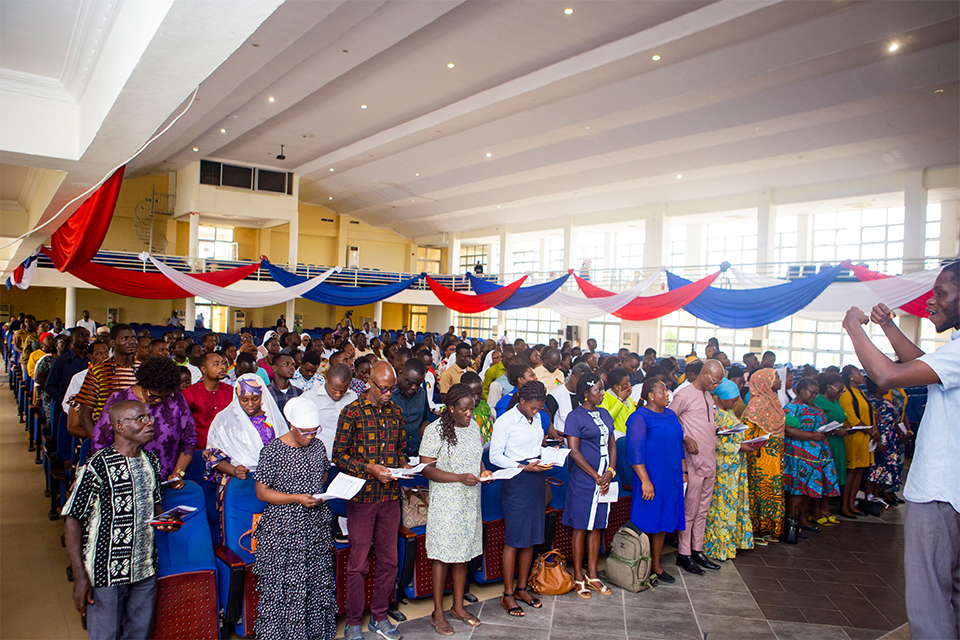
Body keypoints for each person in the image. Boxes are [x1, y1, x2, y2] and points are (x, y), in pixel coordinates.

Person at [840, 263, 959, 639]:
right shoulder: (954, 351)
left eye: (941, 293)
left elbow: (887, 375)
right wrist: (889, 327)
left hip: (940, 490)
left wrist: (854, 327)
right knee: (952, 592)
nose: (931, 302)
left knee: (930, 600)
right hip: (951, 490)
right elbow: (924, 363)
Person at [63, 399, 181, 639]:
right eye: (140, 419)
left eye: (149, 417)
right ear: (119, 426)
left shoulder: (151, 462)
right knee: (106, 634)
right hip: (107, 570)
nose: (149, 423)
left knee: (139, 633)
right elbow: (72, 519)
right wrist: (80, 577)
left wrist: (165, 520)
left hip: (144, 566)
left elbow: (154, 504)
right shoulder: (97, 465)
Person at [253, 397, 337, 640]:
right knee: (285, 588)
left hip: (315, 526)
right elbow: (262, 492)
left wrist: (317, 494)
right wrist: (297, 498)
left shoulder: (318, 446)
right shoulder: (273, 450)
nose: (310, 437)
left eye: (314, 431)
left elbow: (322, 476)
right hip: (284, 530)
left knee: (315, 584)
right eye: (305, 432)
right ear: (292, 425)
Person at [333, 362, 405, 640]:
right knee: (358, 563)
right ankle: (353, 622)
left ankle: (379, 617)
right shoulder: (352, 412)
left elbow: (400, 450)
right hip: (362, 498)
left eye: (392, 388)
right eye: (384, 388)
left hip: (390, 497)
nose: (388, 393)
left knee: (389, 561)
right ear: (369, 384)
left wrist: (403, 466)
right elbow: (339, 455)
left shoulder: (396, 411)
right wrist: (370, 469)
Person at [419, 384, 488, 634]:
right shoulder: (435, 430)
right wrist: (458, 477)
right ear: (451, 408)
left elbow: (476, 456)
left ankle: (458, 607)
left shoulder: (473, 426)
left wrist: (483, 471)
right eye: (464, 409)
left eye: (471, 409)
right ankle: (437, 612)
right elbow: (426, 469)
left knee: (463, 554)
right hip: (447, 502)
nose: (469, 414)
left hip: (470, 500)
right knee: (443, 556)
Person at [488, 381, 550, 618]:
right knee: (515, 538)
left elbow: (536, 446)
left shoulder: (538, 418)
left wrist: (547, 457)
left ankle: (522, 588)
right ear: (521, 401)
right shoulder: (505, 421)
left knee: (531, 536)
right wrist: (522, 467)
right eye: (533, 407)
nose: (536, 411)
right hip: (516, 480)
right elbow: (495, 456)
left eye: (539, 407)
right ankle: (507, 594)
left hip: (536, 478)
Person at [92, 356, 196, 485]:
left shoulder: (176, 399)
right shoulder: (120, 399)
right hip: (124, 479)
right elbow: (100, 442)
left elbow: (189, 440)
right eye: (153, 396)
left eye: (164, 397)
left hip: (166, 478)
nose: (158, 400)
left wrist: (178, 472)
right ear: (143, 385)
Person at [626, 378, 685, 584]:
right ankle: (640, 567)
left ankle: (656, 566)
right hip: (650, 477)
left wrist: (684, 472)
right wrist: (645, 481)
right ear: (651, 395)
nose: (667, 395)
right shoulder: (639, 417)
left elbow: (679, 444)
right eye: (662, 391)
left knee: (663, 521)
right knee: (647, 520)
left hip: (670, 477)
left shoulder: (670, 414)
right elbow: (634, 453)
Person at [563, 374, 616, 598]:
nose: (602, 394)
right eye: (598, 390)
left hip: (604, 479)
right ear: (585, 393)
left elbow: (612, 444)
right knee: (580, 527)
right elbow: (574, 452)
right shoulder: (574, 417)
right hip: (584, 480)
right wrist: (596, 475)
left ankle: (592, 574)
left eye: (603, 389)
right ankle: (578, 576)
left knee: (597, 527)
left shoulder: (604, 413)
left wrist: (610, 471)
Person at [671, 359, 723, 574]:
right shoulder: (684, 395)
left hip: (710, 458)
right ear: (704, 373)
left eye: (719, 382)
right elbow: (669, 419)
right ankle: (684, 554)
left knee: (703, 509)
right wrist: (685, 436)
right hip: (693, 460)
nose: (716, 385)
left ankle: (697, 550)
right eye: (714, 381)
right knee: (690, 509)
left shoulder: (709, 396)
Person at [703, 379, 757, 561]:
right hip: (723, 467)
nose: (735, 404)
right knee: (721, 505)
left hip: (735, 465)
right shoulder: (714, 414)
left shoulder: (729, 412)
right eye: (732, 400)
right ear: (721, 398)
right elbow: (714, 442)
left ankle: (732, 542)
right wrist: (739, 447)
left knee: (734, 503)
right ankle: (718, 545)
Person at [204, 373, 288, 482]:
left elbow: (286, 448)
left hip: (273, 479)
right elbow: (212, 455)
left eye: (255, 399)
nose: (250, 404)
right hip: (239, 479)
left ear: (262, 395)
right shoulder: (224, 420)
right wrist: (234, 470)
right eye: (244, 400)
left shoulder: (271, 418)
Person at [783, 377, 840, 528]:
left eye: (816, 393)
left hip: (816, 453)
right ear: (801, 390)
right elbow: (788, 430)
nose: (814, 396)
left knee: (809, 489)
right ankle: (793, 524)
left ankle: (803, 519)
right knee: (798, 490)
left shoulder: (815, 407)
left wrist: (827, 431)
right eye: (811, 392)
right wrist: (812, 436)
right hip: (799, 453)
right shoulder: (792, 408)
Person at [742, 368, 785, 544]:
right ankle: (758, 529)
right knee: (763, 489)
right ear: (765, 381)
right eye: (776, 378)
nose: (780, 381)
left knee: (774, 489)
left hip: (775, 455)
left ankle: (772, 528)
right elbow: (747, 432)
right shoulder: (757, 403)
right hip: (761, 456)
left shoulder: (774, 400)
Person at [76, 324, 140, 439]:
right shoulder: (98, 371)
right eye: (125, 338)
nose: (131, 342)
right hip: (107, 437)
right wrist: (98, 441)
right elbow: (84, 414)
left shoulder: (144, 370)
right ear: (112, 343)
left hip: (138, 438)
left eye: (134, 338)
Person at [839, 364, 875, 518]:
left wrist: (873, 431)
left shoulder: (860, 392)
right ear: (851, 377)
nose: (862, 376)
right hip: (855, 436)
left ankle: (851, 503)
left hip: (864, 437)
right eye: (859, 373)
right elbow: (851, 417)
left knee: (859, 471)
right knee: (851, 471)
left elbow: (871, 412)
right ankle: (844, 505)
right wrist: (869, 430)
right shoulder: (846, 394)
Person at [864, 376, 905, 507]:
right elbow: (874, 423)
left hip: (891, 439)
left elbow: (894, 420)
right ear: (877, 388)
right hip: (881, 439)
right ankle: (869, 498)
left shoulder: (887, 401)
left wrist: (900, 432)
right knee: (875, 469)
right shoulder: (873, 403)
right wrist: (878, 442)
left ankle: (877, 497)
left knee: (884, 470)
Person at [303, 363, 357, 457]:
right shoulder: (309, 398)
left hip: (346, 458)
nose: (338, 394)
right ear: (326, 379)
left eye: (343, 391)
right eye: (334, 390)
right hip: (318, 458)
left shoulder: (352, 397)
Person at [814, 373, 849, 521]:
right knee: (822, 474)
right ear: (829, 387)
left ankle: (826, 507)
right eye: (839, 390)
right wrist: (834, 431)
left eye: (842, 391)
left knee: (833, 474)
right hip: (825, 441)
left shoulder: (835, 401)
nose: (840, 394)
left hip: (838, 442)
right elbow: (816, 422)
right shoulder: (818, 400)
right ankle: (816, 509)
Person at [181, 352, 232, 449]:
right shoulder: (189, 394)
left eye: (222, 363)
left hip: (227, 449)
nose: (222, 367)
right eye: (216, 364)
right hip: (198, 451)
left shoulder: (231, 391)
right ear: (203, 369)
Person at [44, 326, 91, 414]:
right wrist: (65, 399)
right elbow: (50, 386)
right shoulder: (61, 361)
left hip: (89, 405)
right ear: (72, 339)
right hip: (66, 407)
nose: (85, 338)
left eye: (87, 335)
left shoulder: (91, 359)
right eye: (81, 335)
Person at [392, 357, 431, 457]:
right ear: (400, 373)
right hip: (394, 454)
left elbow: (424, 422)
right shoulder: (389, 394)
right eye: (410, 383)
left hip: (416, 453)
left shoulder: (421, 394)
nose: (413, 387)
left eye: (418, 384)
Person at [545, 362, 591, 436]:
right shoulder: (554, 396)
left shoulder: (584, 395)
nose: (582, 386)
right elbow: (548, 424)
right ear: (573, 377)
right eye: (580, 382)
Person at [598, 368, 636, 435]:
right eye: (626, 383)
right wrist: (620, 400)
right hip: (616, 437)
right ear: (616, 386)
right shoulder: (604, 398)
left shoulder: (629, 399)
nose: (630, 384)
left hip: (630, 436)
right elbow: (607, 418)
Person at [460, 371, 493, 443]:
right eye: (472, 394)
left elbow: (490, 429)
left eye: (479, 393)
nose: (476, 398)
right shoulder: (453, 408)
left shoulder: (484, 406)